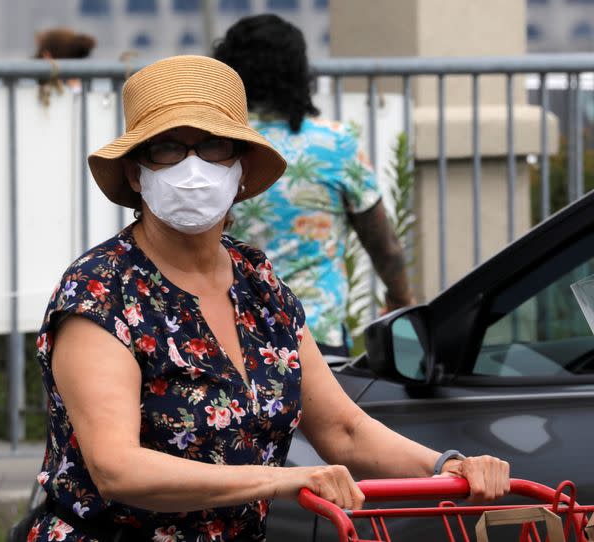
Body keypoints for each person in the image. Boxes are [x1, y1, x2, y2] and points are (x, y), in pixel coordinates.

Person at [27, 55, 509, 541]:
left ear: (241, 171)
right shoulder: (100, 291)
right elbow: (118, 469)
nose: (193, 167)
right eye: (167, 148)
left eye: (215, 147)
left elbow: (342, 429)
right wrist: (283, 480)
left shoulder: (258, 283)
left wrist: (449, 465)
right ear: (135, 174)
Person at [214, 14, 416, 357]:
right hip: (316, 335)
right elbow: (385, 246)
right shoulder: (335, 144)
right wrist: (401, 299)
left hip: (231, 332)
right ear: (300, 75)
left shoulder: (217, 148)